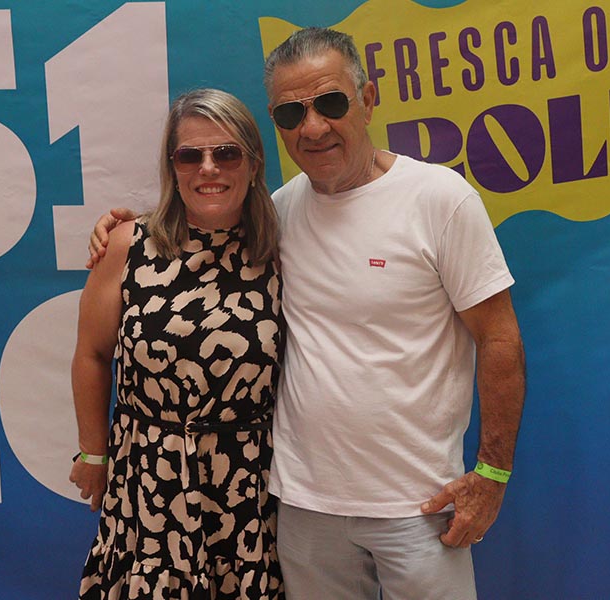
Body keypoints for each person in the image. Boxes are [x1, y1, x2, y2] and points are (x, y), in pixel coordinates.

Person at [89, 28, 525, 600]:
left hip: (420, 507)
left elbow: (499, 339)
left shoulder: (441, 200)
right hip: (300, 509)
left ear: (368, 100)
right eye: (292, 113)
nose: (313, 127)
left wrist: (491, 475)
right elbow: (196, 230)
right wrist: (123, 228)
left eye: (331, 103)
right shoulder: (276, 216)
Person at [70, 88, 285, 600]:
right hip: (148, 475)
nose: (208, 168)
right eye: (190, 155)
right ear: (173, 166)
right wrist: (93, 453)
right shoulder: (127, 244)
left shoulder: (281, 247)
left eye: (226, 153)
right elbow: (92, 354)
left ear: (253, 163)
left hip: (247, 484)